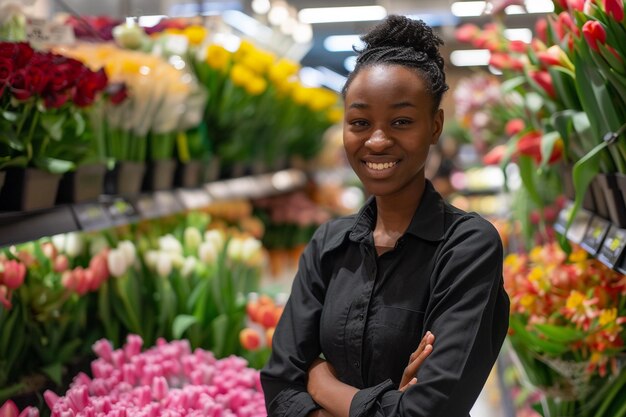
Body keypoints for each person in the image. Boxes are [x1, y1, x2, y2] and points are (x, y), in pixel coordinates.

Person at [260, 15, 510, 417]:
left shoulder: (467, 246)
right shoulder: (329, 244)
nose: (377, 140)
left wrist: (321, 383)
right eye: (360, 122)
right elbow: (278, 384)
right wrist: (390, 401)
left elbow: (428, 411)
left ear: (434, 126)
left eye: (401, 122)